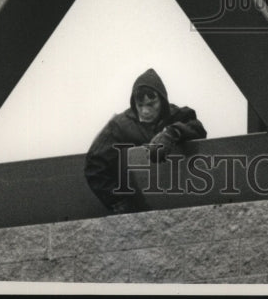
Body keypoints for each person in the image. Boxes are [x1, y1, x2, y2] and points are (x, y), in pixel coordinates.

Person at [84, 67, 206, 212]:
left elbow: (198, 128)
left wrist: (172, 132)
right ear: (134, 103)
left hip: (178, 200)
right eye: (140, 105)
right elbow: (94, 165)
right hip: (138, 206)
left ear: (162, 101)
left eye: (151, 104)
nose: (145, 111)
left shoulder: (176, 115)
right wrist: (118, 202)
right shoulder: (119, 126)